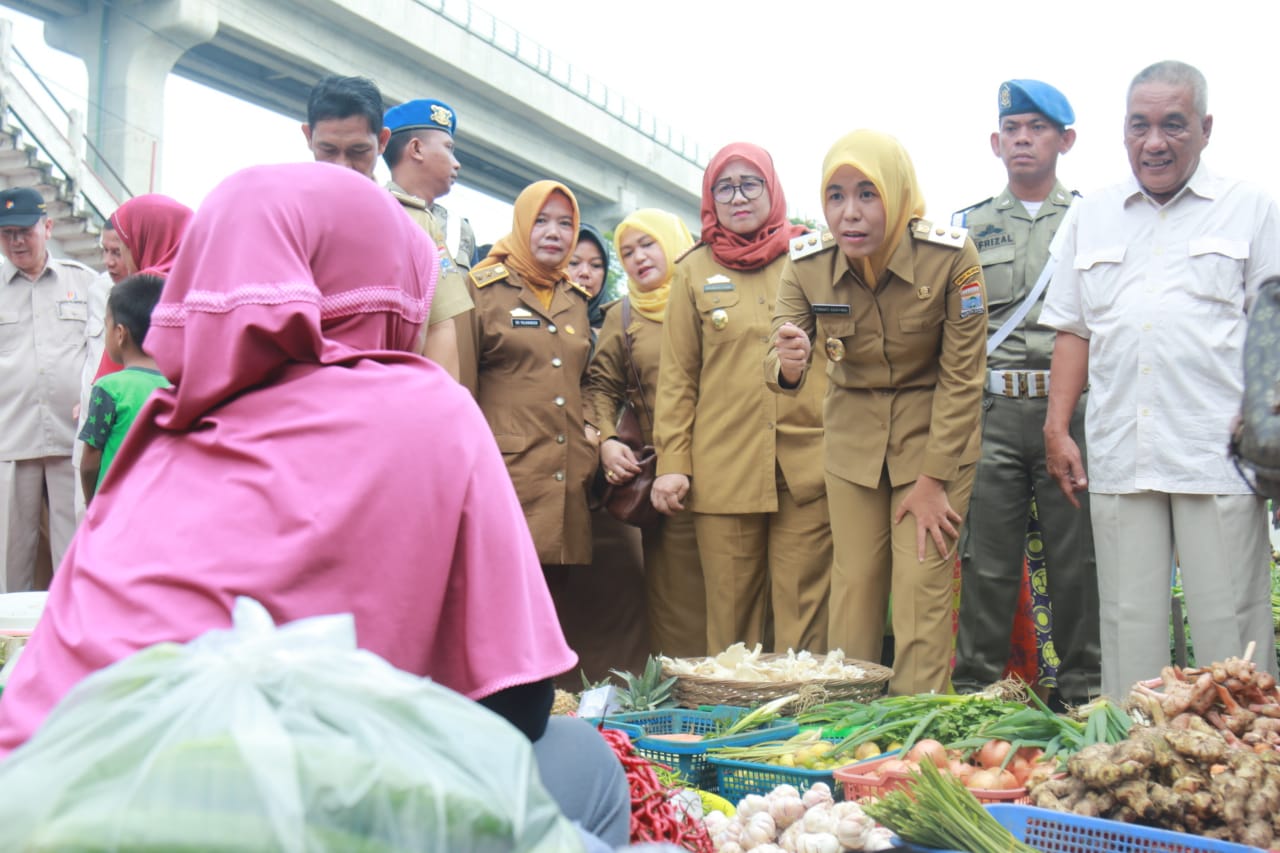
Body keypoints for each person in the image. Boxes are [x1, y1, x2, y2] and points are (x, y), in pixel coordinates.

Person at [0, 163, 628, 848]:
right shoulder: (423, 410)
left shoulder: (159, 437)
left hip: (45, 810)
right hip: (268, 825)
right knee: (585, 764)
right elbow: (519, 703)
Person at [1041, 60, 1280, 698]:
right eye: (1140, 126)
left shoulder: (1251, 208)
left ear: (1204, 128)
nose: (1155, 142)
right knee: (1128, 631)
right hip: (1122, 453)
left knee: (1234, 632)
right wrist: (1058, 427)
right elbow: (1073, 329)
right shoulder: (1092, 215)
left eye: (1173, 125)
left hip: (1218, 458)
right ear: (1122, 132)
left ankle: (1244, 770)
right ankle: (1133, 769)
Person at [767, 130, 988, 695]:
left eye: (867, 193)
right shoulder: (808, 264)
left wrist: (935, 479)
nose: (850, 213)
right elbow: (780, 356)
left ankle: (916, 731)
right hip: (853, 443)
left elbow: (963, 378)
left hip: (933, 437)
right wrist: (789, 362)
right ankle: (848, 723)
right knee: (856, 584)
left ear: (896, 193)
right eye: (836, 196)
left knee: (920, 589)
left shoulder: (950, 257)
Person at [951, 80, 1101, 707]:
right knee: (987, 562)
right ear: (995, 141)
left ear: (1064, 140)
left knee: (1077, 561)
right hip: (994, 412)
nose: (1022, 139)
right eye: (1012, 129)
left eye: (1037, 128)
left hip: (1072, 413)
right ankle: (979, 695)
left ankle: (1085, 692)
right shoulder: (966, 226)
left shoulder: (1093, 218)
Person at [653, 143, 831, 655]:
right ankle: (734, 728)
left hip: (807, 468)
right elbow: (678, 378)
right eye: (723, 187)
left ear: (771, 189)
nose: (737, 197)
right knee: (731, 625)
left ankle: (805, 727)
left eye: (749, 184)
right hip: (724, 467)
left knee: (805, 619)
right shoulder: (691, 271)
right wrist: (673, 463)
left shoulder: (812, 258)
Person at [465, 182, 604, 674]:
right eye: (542, 221)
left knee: (551, 605)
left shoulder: (575, 297)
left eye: (565, 223)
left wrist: (591, 430)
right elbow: (459, 386)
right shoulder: (482, 290)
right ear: (523, 224)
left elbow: (586, 379)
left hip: (565, 476)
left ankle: (543, 704)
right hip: (506, 474)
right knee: (497, 604)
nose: (555, 233)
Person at [587, 209, 707, 657]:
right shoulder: (623, 314)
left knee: (744, 596)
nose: (638, 258)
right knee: (679, 606)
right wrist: (606, 439)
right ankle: (688, 710)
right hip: (669, 484)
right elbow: (600, 386)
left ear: (674, 241)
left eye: (648, 244)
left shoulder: (709, 294)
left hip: (732, 470)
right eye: (627, 252)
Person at [302, 78, 471, 379]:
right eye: (327, 149)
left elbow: (439, 329)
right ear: (308, 137)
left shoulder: (416, 224)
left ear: (381, 141)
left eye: (358, 151)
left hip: (387, 399)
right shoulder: (287, 215)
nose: (342, 166)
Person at [0, 186, 97, 592]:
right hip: (9, 439)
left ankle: (69, 640)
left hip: (69, 439)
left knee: (73, 550)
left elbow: (101, 351)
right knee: (8, 558)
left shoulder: (85, 283)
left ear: (48, 227)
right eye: (6, 233)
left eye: (25, 230)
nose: (17, 241)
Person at [74, 195, 193, 521]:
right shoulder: (198, 289)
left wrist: (91, 503)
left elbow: (91, 459)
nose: (118, 260)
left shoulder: (143, 290)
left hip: (112, 502)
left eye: (121, 248)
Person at [573, 222, 651, 675]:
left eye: (596, 264)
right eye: (575, 263)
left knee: (624, 593)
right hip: (558, 481)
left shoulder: (615, 321)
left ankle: (621, 707)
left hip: (612, 483)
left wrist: (606, 438)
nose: (586, 273)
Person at [382, 98, 476, 383]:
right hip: (400, 384)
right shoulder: (378, 214)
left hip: (454, 387)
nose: (457, 163)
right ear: (417, 149)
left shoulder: (459, 230)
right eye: (448, 149)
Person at [78, 273, 169, 505]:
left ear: (120, 334)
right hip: (163, 504)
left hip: (116, 509)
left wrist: (92, 503)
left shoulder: (109, 389)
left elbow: (90, 462)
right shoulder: (177, 386)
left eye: (106, 324)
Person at [569, 223, 613, 333]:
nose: (584, 272)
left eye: (595, 265)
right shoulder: (539, 317)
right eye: (574, 263)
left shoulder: (618, 325)